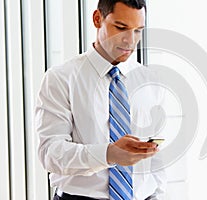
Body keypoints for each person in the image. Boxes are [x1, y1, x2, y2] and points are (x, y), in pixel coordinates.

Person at [35, 0, 166, 199]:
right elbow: (50, 153)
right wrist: (108, 154)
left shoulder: (150, 81)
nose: (130, 41)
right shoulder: (61, 78)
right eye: (121, 27)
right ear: (98, 19)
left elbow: (156, 156)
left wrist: (157, 193)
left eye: (138, 30)